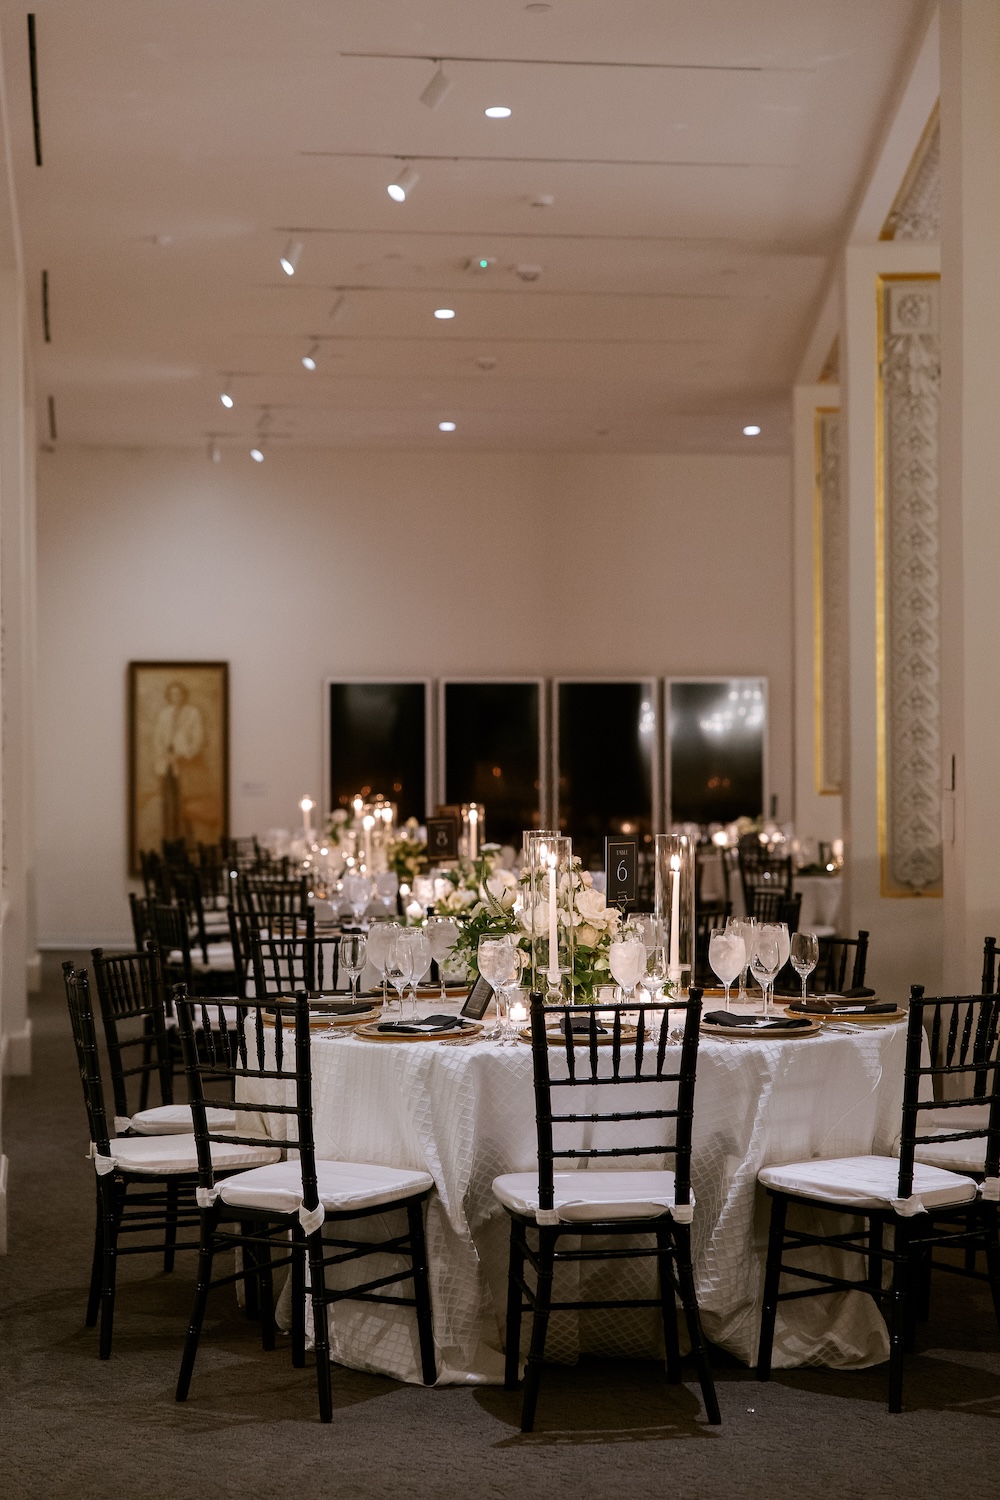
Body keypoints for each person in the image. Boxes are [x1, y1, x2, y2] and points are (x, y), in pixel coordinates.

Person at [153, 680, 205, 842]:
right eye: (173, 694)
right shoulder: (164, 713)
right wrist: (165, 755)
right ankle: (169, 837)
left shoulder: (193, 713)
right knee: (168, 800)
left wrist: (183, 754)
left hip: (186, 762)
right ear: (169, 696)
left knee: (185, 800)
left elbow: (198, 739)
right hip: (167, 763)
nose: (176, 696)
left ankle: (186, 838)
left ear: (184, 695)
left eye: (179, 693)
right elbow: (158, 737)